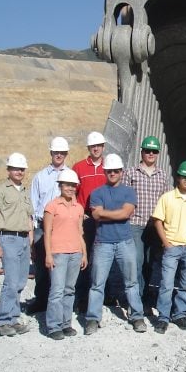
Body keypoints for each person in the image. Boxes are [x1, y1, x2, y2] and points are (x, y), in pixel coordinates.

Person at [84, 153, 147, 335]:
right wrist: (114, 213)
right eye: (109, 171)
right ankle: (92, 319)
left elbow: (126, 213)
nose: (112, 173)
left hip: (125, 242)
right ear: (105, 172)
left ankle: (137, 316)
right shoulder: (96, 193)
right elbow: (96, 215)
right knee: (97, 283)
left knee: (131, 282)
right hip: (102, 243)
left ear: (121, 172)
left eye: (116, 171)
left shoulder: (129, 191)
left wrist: (106, 213)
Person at [152, 161, 186, 334]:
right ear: (178, 177)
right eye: (184, 177)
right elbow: (157, 220)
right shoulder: (167, 198)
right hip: (172, 247)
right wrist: (166, 242)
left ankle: (180, 314)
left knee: (185, 284)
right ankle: (163, 317)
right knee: (166, 283)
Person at [0, 153, 34, 337]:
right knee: (11, 281)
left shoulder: (24, 191)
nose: (19, 171)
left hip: (23, 240)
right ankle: (3, 321)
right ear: (9, 170)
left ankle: (14, 318)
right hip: (8, 239)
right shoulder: (0, 190)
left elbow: (29, 217)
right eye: (16, 168)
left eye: (22, 169)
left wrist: (30, 239)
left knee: (21, 281)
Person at [122, 136, 170, 312]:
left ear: (158, 154)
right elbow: (125, 197)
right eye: (147, 151)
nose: (150, 154)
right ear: (141, 152)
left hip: (155, 226)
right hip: (136, 223)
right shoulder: (131, 173)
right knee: (137, 261)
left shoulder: (162, 175)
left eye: (154, 151)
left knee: (151, 263)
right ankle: (135, 300)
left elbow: (166, 202)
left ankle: (147, 298)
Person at [27, 136, 70, 314]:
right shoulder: (40, 177)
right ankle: (41, 300)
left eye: (62, 152)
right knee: (42, 266)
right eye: (56, 152)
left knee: (61, 267)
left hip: (62, 228)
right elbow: (32, 207)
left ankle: (59, 302)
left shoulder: (70, 176)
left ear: (66, 154)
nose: (59, 155)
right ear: (51, 153)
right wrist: (31, 236)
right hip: (42, 227)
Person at [43, 168, 87, 340]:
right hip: (58, 253)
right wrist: (48, 254)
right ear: (60, 185)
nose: (70, 188)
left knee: (69, 290)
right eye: (67, 185)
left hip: (75, 253)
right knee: (57, 290)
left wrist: (84, 253)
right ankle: (53, 326)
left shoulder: (78, 208)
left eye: (73, 185)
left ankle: (66, 323)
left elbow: (80, 232)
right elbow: (47, 232)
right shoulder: (52, 206)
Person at [71, 131, 107, 311]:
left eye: (99, 146)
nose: (96, 149)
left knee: (102, 257)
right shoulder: (78, 168)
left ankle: (101, 294)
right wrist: (78, 213)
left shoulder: (109, 167)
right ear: (89, 148)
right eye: (93, 146)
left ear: (103, 147)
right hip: (86, 217)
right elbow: (72, 193)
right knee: (84, 257)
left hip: (105, 218)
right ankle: (83, 297)